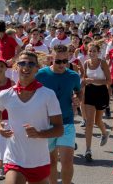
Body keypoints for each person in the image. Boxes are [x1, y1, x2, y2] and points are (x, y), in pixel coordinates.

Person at [0, 51, 63, 184]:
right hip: (14, 158)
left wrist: (39, 134)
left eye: (31, 64)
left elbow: (59, 129)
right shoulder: (6, 94)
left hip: (39, 160)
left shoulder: (48, 95)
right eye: (22, 63)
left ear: (37, 68)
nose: (27, 66)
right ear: (16, 67)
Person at [36, 45, 81, 184]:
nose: (62, 65)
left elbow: (79, 91)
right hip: (46, 124)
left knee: (67, 161)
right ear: (51, 59)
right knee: (51, 162)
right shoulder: (41, 75)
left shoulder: (73, 76)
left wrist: (78, 98)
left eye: (65, 61)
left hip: (66, 122)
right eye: (58, 61)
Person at [82, 43, 111, 161]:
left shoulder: (102, 63)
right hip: (89, 92)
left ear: (98, 52)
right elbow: (84, 78)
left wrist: (94, 80)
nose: (92, 53)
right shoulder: (85, 63)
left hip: (101, 92)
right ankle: (88, 150)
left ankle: (105, 133)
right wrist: (85, 80)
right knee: (89, 122)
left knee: (97, 120)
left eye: (94, 51)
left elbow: (109, 81)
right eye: (90, 51)